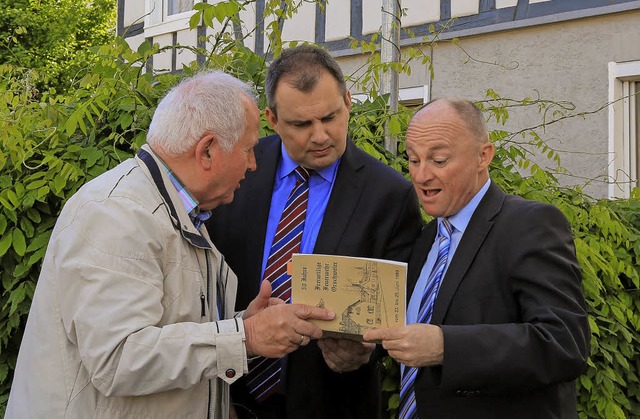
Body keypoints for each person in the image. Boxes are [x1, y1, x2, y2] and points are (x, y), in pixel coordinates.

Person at [5, 70, 336, 419]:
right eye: (249, 149)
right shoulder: (117, 214)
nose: (254, 164)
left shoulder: (174, 210)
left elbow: (172, 332)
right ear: (207, 150)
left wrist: (245, 324)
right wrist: (244, 336)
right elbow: (119, 358)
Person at [206, 45, 423, 418]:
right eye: (302, 124)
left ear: (348, 102)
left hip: (334, 400)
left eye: (330, 117)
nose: (321, 135)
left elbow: (405, 308)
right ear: (272, 119)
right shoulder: (236, 173)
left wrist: (365, 351)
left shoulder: (390, 195)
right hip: (227, 396)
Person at [364, 98, 590, 419]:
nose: (421, 175)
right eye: (413, 160)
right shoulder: (426, 239)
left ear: (483, 156)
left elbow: (564, 343)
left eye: (439, 160)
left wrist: (445, 347)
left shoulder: (530, 224)